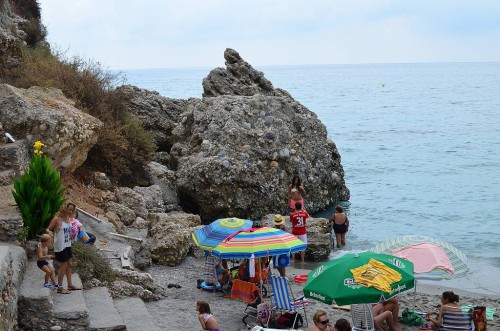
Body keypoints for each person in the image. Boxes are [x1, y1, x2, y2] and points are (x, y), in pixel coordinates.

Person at [46, 202, 81, 294]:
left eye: (72, 210)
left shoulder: (68, 218)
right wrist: (49, 233)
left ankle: (69, 284)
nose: (71, 211)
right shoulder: (57, 219)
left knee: (69, 265)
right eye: (69, 209)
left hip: (67, 244)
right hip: (60, 246)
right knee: (63, 266)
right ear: (64, 208)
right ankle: (60, 288)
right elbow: (48, 229)